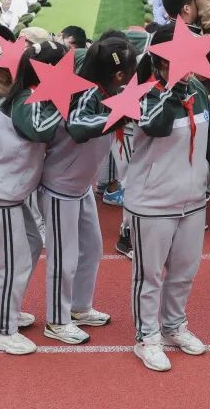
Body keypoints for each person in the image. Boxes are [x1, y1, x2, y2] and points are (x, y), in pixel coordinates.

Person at [123, 22, 210, 371]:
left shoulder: (196, 89)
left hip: (193, 200)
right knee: (149, 275)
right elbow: (157, 124)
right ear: (162, 59)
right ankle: (147, 337)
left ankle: (172, 326)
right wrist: (170, 88)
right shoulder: (144, 93)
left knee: (184, 271)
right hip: (152, 202)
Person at [0, 40, 69, 357]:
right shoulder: (27, 98)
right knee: (14, 260)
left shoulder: (29, 94)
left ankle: (3, 311)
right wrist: (65, 102)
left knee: (31, 244)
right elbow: (38, 131)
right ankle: (1, 329)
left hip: (9, 192)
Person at [39, 38, 138, 345]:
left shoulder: (111, 91)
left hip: (80, 186)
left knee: (92, 247)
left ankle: (79, 306)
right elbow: (79, 126)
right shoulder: (85, 92)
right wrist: (117, 115)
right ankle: (56, 319)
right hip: (59, 187)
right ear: (118, 75)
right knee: (64, 256)